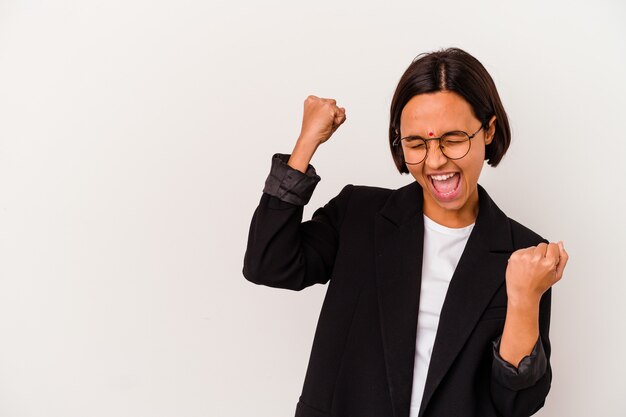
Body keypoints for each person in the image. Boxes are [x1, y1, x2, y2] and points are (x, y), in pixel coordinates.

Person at [242, 47, 569, 417]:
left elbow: (517, 402)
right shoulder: (359, 215)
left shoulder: (522, 253)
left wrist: (524, 299)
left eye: (454, 138)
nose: (435, 160)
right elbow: (268, 263)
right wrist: (305, 145)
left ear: (488, 130)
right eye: (416, 143)